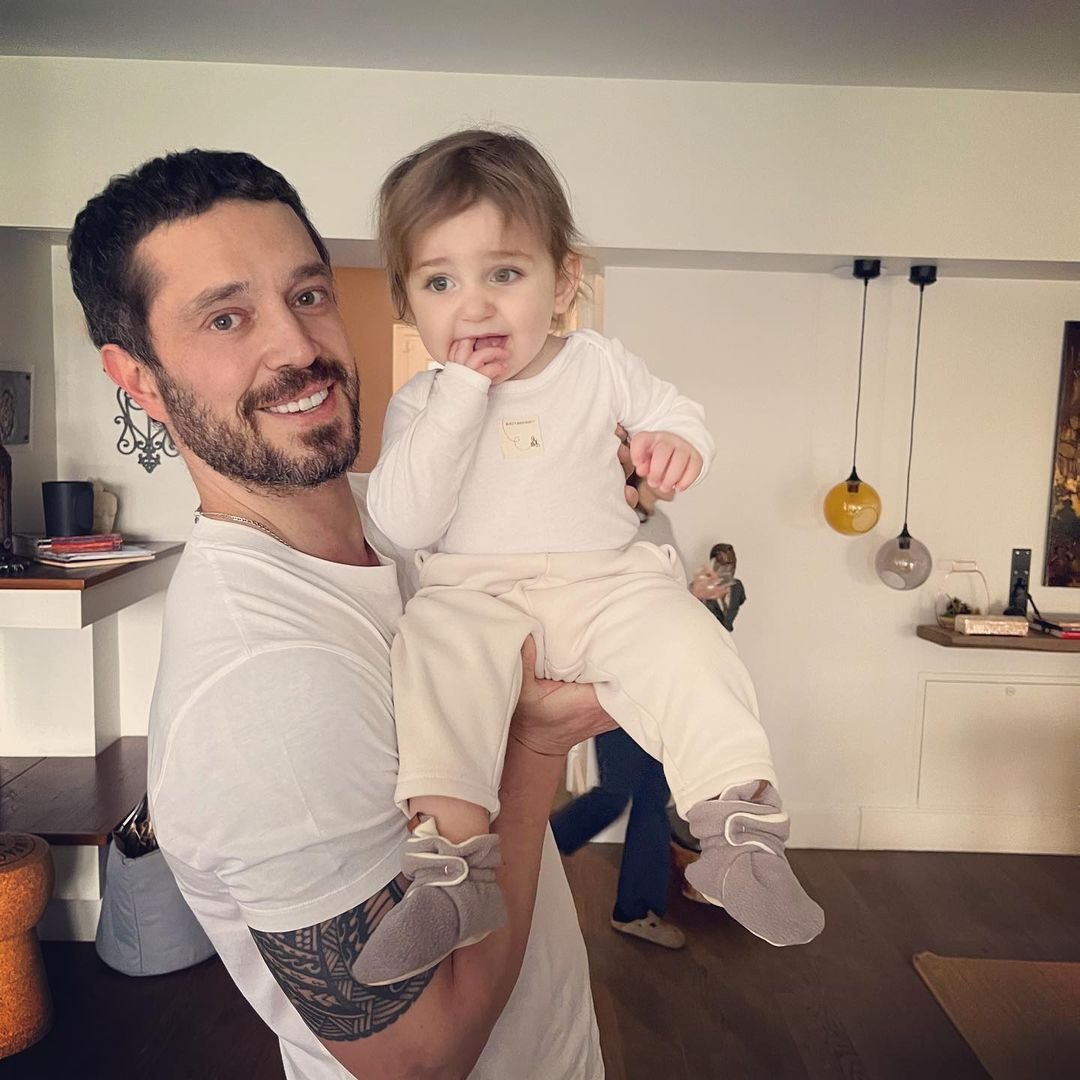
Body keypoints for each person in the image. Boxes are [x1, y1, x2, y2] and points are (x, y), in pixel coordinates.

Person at [66, 149, 614, 1080]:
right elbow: (419, 1059)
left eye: (308, 294)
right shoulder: (263, 686)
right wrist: (533, 748)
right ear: (140, 378)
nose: (297, 346)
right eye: (227, 317)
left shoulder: (402, 519)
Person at [359, 129, 823, 985]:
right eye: (440, 282)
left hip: (606, 582)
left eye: (504, 273)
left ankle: (739, 832)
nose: (474, 306)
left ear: (564, 281)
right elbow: (397, 525)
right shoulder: (422, 403)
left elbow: (677, 413)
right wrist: (461, 395)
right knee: (430, 659)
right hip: (476, 596)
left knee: (689, 642)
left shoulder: (600, 364)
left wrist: (674, 445)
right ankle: (451, 876)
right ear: (407, 301)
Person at [551, 478, 687, 951]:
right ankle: (527, 858)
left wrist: (697, 594)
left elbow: (665, 599)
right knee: (618, 792)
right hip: (620, 676)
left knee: (651, 793)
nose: (674, 477)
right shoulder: (608, 523)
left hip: (660, 676)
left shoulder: (660, 522)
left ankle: (636, 911)